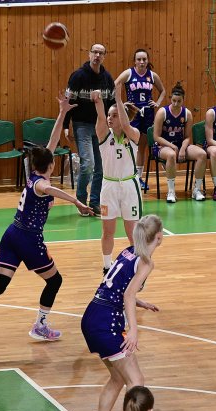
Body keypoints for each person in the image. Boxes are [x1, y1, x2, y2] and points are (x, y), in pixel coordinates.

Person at [0, 96, 93, 345]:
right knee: (55, 280)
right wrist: (77, 201)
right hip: (28, 238)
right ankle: (40, 325)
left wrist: (62, 113)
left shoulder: (35, 173)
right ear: (50, 164)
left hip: (12, 234)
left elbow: (54, 137)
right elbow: (52, 191)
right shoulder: (41, 183)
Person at [81, 215, 162, 411]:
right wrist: (134, 330)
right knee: (136, 382)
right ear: (159, 237)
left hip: (92, 316)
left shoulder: (128, 251)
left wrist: (140, 301)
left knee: (118, 378)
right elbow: (127, 294)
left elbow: (115, 287)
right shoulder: (146, 261)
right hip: (107, 323)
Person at [91, 88, 142, 275]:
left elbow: (127, 126)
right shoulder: (105, 134)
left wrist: (118, 99)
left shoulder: (133, 133)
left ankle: (136, 267)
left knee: (132, 233)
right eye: (109, 115)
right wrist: (97, 101)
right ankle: (106, 266)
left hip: (129, 186)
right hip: (109, 186)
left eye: (115, 115)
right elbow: (100, 118)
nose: (110, 118)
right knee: (108, 230)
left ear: (123, 117)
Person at [64, 43, 116, 217]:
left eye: (101, 53)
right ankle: (80, 201)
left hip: (101, 127)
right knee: (88, 165)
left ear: (104, 56)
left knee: (101, 167)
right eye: (95, 52)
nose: (97, 56)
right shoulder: (78, 76)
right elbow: (68, 102)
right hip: (82, 125)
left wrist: (111, 125)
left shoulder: (107, 78)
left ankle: (94, 203)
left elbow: (111, 104)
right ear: (89, 54)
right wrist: (66, 125)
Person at [114, 49, 166, 191]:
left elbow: (163, 91)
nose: (142, 62)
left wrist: (157, 103)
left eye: (144, 59)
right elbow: (115, 85)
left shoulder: (152, 75)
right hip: (133, 113)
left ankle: (138, 178)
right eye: (139, 59)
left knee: (142, 147)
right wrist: (122, 103)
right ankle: (125, 176)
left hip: (148, 114)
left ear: (148, 60)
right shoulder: (129, 73)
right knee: (129, 145)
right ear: (135, 61)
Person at [153, 82, 207, 203]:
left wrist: (182, 148)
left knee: (202, 154)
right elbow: (156, 137)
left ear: (183, 100)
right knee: (171, 155)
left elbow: (187, 137)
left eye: (179, 101)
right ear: (170, 99)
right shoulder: (163, 112)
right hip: (163, 145)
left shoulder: (187, 113)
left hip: (180, 145)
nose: (176, 104)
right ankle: (171, 191)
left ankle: (197, 190)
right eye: (174, 101)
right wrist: (172, 146)